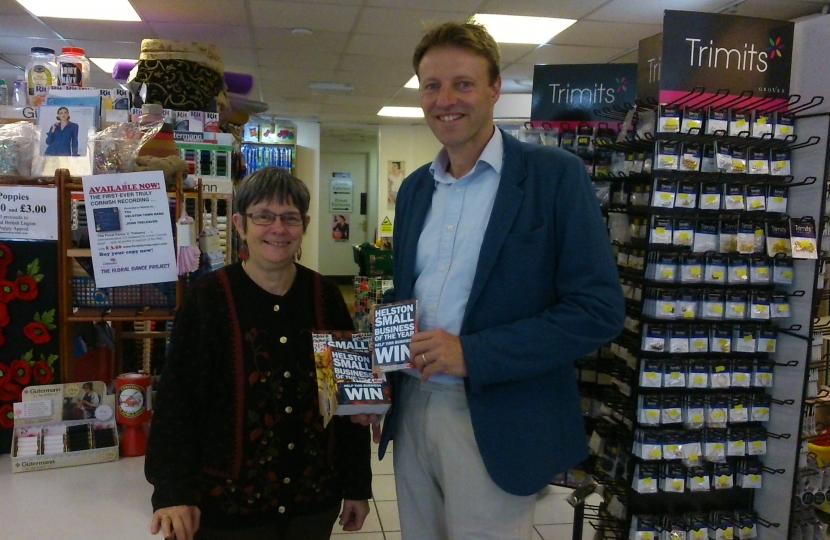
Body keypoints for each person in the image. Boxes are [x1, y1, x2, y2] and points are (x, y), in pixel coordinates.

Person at [353, 22, 625, 540]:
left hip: (498, 417)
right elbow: (406, 296)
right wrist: (378, 371)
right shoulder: (414, 190)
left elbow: (598, 310)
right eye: (432, 86)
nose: (445, 100)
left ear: (495, 87)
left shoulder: (553, 176)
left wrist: (472, 354)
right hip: (412, 411)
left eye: (463, 83)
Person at [145, 167, 372, 540]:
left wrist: (357, 486)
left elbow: (349, 402)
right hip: (226, 508)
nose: (277, 228)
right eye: (264, 216)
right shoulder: (208, 299)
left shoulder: (326, 297)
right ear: (240, 224)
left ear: (305, 224)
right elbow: (177, 401)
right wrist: (172, 493)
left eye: (290, 218)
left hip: (311, 501)